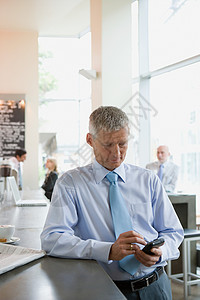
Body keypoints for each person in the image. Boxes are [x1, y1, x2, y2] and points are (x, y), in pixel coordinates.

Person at [41, 106, 183, 300]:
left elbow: (173, 231)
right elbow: (52, 239)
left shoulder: (148, 180)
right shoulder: (71, 184)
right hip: (101, 290)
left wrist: (160, 252)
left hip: (156, 287)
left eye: (122, 144)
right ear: (90, 140)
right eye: (108, 145)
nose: (116, 153)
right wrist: (107, 250)